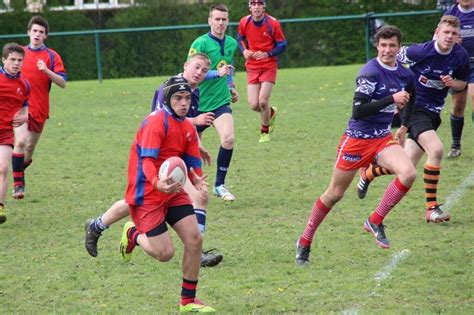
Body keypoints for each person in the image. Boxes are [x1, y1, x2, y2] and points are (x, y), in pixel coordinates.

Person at [85, 54, 224, 268]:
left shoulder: (193, 93)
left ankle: (196, 247)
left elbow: (183, 128)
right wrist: (195, 122)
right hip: (154, 162)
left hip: (173, 161)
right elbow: (165, 119)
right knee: (136, 202)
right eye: (196, 67)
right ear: (185, 65)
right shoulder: (168, 89)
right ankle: (121, 230)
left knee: (198, 197)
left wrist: (197, 148)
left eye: (204, 70)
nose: (199, 72)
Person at [295, 26, 418, 266]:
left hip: (382, 138)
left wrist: (404, 126)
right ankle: (304, 240)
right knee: (334, 195)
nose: (387, 50)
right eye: (383, 45)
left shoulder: (405, 74)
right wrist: (391, 99)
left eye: (392, 45)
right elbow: (358, 111)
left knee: (409, 173)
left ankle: (374, 220)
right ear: (377, 46)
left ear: (398, 47)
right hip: (356, 141)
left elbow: (411, 96)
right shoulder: (370, 73)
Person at [356, 16, 470, 223]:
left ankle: (368, 173)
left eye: (453, 33)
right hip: (416, 108)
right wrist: (394, 89)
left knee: (405, 166)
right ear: (437, 32)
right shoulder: (420, 51)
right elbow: (390, 60)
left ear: (458, 36)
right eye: (446, 32)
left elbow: (463, 84)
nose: (449, 36)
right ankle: (431, 208)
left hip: (434, 113)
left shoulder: (460, 55)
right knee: (436, 149)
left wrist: (453, 83)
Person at [119, 76, 215, 313]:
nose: (183, 103)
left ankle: (188, 301)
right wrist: (156, 182)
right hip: (147, 192)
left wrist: (197, 179)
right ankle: (133, 234)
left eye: (187, 98)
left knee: (195, 240)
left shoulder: (187, 127)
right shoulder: (156, 123)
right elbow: (147, 161)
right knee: (164, 254)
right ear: (167, 99)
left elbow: (192, 161)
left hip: (172, 191)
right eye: (177, 98)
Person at [11, 15, 67, 199]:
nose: (37, 34)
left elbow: (62, 82)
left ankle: (20, 170)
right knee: (19, 142)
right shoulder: (19, 54)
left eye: (41, 32)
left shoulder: (51, 56)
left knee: (29, 147)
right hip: (20, 109)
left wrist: (47, 70)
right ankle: (18, 184)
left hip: (40, 109)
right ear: (28, 32)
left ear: (46, 36)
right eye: (34, 31)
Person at [188, 3, 239, 201]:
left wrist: (231, 86)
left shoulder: (232, 43)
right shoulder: (200, 44)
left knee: (228, 138)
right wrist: (217, 73)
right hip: (196, 104)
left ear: (228, 22)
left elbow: (227, 69)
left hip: (220, 101)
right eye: (216, 19)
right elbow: (191, 72)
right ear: (210, 21)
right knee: (192, 150)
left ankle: (219, 185)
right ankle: (190, 187)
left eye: (223, 19)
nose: (220, 23)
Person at [237, 0, 287, 143]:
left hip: (268, 65)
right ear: (250, 7)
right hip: (252, 66)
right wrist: (244, 50)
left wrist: (267, 54)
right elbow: (240, 38)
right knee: (254, 105)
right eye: (253, 4)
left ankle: (264, 132)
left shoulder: (273, 23)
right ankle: (271, 113)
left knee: (263, 101)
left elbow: (282, 44)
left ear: (264, 6)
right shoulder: (244, 22)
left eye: (259, 4)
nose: (256, 7)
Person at [0, 43, 30, 224]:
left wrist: (25, 115)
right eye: (12, 59)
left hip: (4, 132)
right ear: (4, 60)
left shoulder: (24, 84)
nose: (16, 63)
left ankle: (0, 207)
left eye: (20, 60)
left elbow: (25, 106)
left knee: (2, 168)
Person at [444, 0, 474, 158]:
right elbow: (439, 36)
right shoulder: (451, 13)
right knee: (458, 105)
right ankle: (456, 145)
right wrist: (452, 41)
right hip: (458, 64)